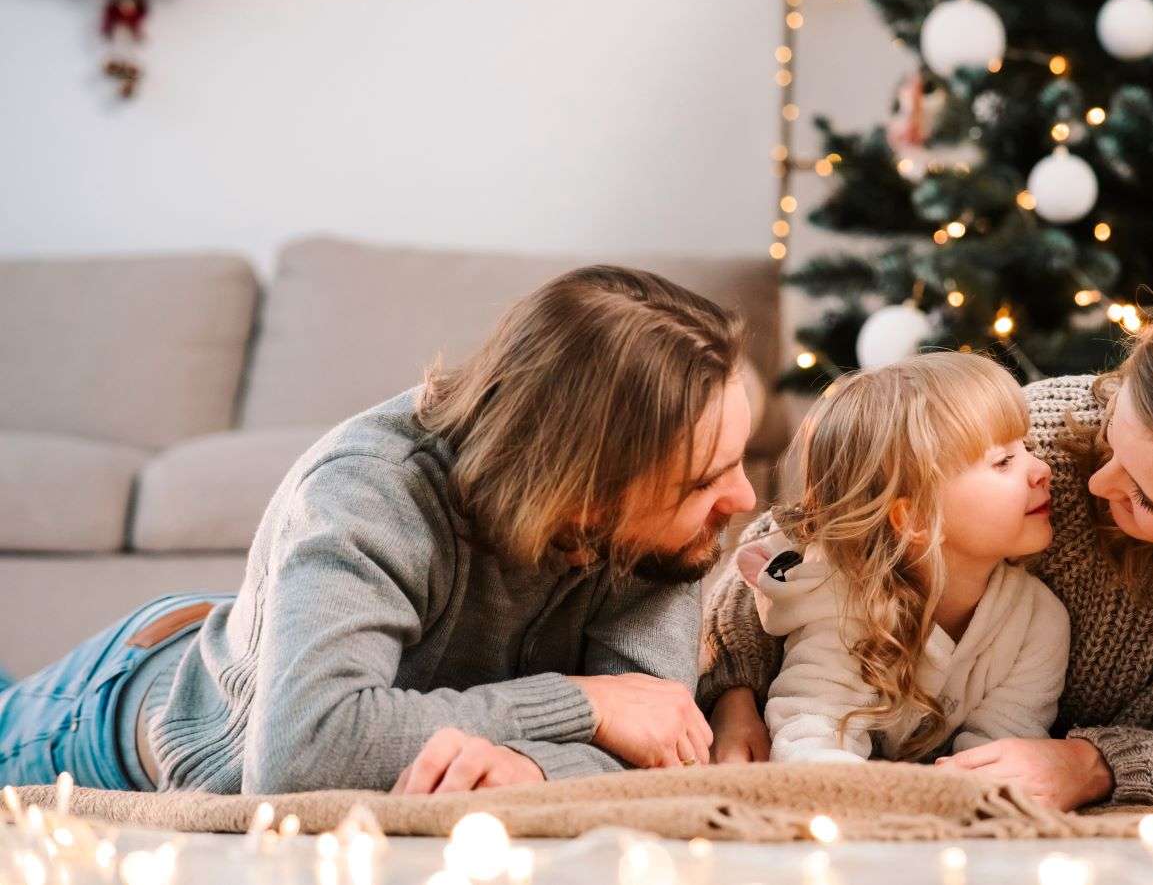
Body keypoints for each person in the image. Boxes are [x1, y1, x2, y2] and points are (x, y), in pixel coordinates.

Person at [0, 266, 758, 795]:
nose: (744, 496)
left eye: (739, 461)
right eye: (705, 481)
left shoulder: (662, 540)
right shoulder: (368, 488)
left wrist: (530, 772)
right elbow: (303, 753)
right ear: (584, 492)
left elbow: (657, 742)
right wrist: (582, 705)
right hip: (124, 712)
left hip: (299, 643)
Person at [702, 294, 1153, 808]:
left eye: (1147, 499)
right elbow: (816, 536)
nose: (1093, 481)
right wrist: (735, 694)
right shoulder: (1050, 438)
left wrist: (1103, 766)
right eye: (1114, 436)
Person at [739, 352, 1068, 763]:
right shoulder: (841, 601)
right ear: (915, 518)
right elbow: (811, 735)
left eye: (1028, 448)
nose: (1041, 469)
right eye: (1003, 461)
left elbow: (1002, 754)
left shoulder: (1038, 621)